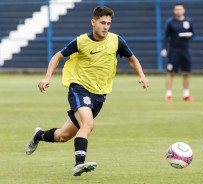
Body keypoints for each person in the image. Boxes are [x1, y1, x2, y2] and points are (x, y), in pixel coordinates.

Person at [25, 6, 149, 177]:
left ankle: (38, 135)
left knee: (63, 136)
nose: (106, 27)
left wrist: (142, 76)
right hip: (79, 88)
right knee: (88, 125)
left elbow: (132, 59)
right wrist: (47, 78)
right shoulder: (81, 41)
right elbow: (57, 56)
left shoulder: (117, 41)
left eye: (108, 23)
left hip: (99, 95)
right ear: (93, 22)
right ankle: (79, 165)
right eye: (102, 23)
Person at [161, 3, 194, 102]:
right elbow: (165, 37)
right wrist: (164, 48)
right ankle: (169, 95)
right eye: (177, 10)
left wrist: (189, 36)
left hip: (185, 50)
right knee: (171, 73)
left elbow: (193, 34)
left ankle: (186, 95)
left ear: (184, 10)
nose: (178, 11)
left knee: (186, 73)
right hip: (173, 50)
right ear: (174, 11)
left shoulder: (188, 21)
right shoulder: (170, 22)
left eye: (180, 9)